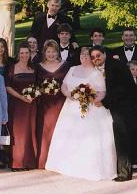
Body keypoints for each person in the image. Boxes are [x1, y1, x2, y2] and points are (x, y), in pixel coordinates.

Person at [46, 47, 117, 181]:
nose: (83, 57)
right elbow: (64, 85)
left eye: (86, 55)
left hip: (89, 109)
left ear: (91, 57)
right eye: (81, 54)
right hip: (70, 107)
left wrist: (92, 100)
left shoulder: (97, 73)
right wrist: (69, 95)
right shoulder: (72, 69)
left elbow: (102, 92)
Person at [90, 46, 136, 181]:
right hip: (114, 106)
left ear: (104, 54)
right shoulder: (104, 67)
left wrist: (104, 102)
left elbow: (120, 89)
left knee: (122, 139)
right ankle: (120, 170)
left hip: (123, 107)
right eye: (93, 57)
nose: (95, 59)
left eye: (98, 55)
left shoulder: (116, 65)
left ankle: (124, 173)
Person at [36, 39, 70, 169]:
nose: (51, 54)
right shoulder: (38, 66)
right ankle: (43, 160)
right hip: (45, 104)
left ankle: (59, 161)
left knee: (60, 130)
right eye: (48, 51)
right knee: (44, 130)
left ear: (58, 52)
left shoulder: (66, 65)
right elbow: (35, 84)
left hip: (61, 103)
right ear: (44, 52)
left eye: (54, 51)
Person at [5, 42, 38, 170]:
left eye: (27, 53)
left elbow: (38, 85)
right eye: (22, 53)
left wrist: (33, 96)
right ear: (18, 54)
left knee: (29, 131)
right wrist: (20, 97)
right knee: (17, 133)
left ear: (30, 54)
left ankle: (29, 161)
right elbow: (7, 86)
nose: (24, 55)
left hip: (31, 105)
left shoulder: (34, 68)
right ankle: (17, 162)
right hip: (16, 104)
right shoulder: (12, 68)